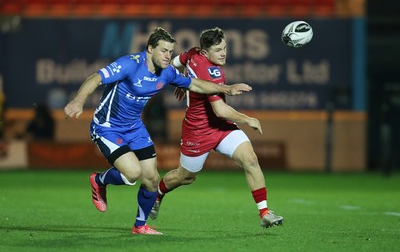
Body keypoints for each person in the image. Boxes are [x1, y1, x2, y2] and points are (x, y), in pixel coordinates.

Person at [63, 27, 252, 235]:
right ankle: (98, 180)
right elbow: (95, 78)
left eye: (170, 52)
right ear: (150, 48)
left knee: (152, 180)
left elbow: (195, 84)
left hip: (135, 128)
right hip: (107, 127)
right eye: (163, 51)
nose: (168, 56)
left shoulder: (167, 72)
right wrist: (78, 101)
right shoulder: (130, 64)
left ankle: (140, 226)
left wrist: (227, 89)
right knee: (133, 173)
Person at [150, 27, 284, 228]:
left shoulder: (194, 52)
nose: (224, 53)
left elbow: (177, 61)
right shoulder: (212, 72)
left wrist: (181, 79)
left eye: (225, 48)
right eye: (219, 49)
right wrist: (248, 119)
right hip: (198, 130)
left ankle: (264, 212)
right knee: (184, 177)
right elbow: (220, 109)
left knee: (250, 159)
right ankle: (157, 195)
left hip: (220, 127)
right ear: (205, 52)